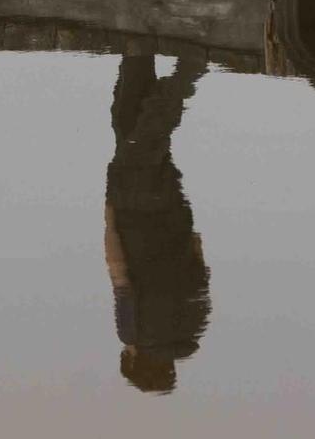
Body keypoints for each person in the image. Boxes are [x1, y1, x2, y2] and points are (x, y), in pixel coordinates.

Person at [103, 52, 212, 393]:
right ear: (136, 361)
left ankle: (137, 51)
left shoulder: (194, 328)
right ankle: (190, 71)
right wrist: (109, 214)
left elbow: (200, 268)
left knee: (127, 127)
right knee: (145, 137)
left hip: (173, 215)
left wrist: (186, 226)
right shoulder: (133, 333)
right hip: (135, 213)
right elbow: (119, 272)